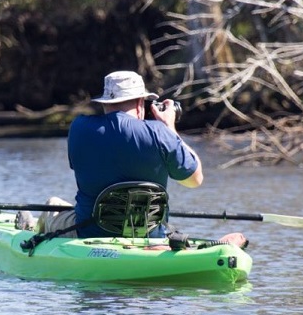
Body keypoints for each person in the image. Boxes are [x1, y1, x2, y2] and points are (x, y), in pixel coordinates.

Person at [21, 70, 203, 238]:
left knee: (52, 204)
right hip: (149, 235)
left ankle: (32, 232)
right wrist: (169, 128)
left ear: (105, 103)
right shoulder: (161, 133)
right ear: (141, 103)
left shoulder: (79, 128)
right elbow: (195, 180)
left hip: (90, 232)